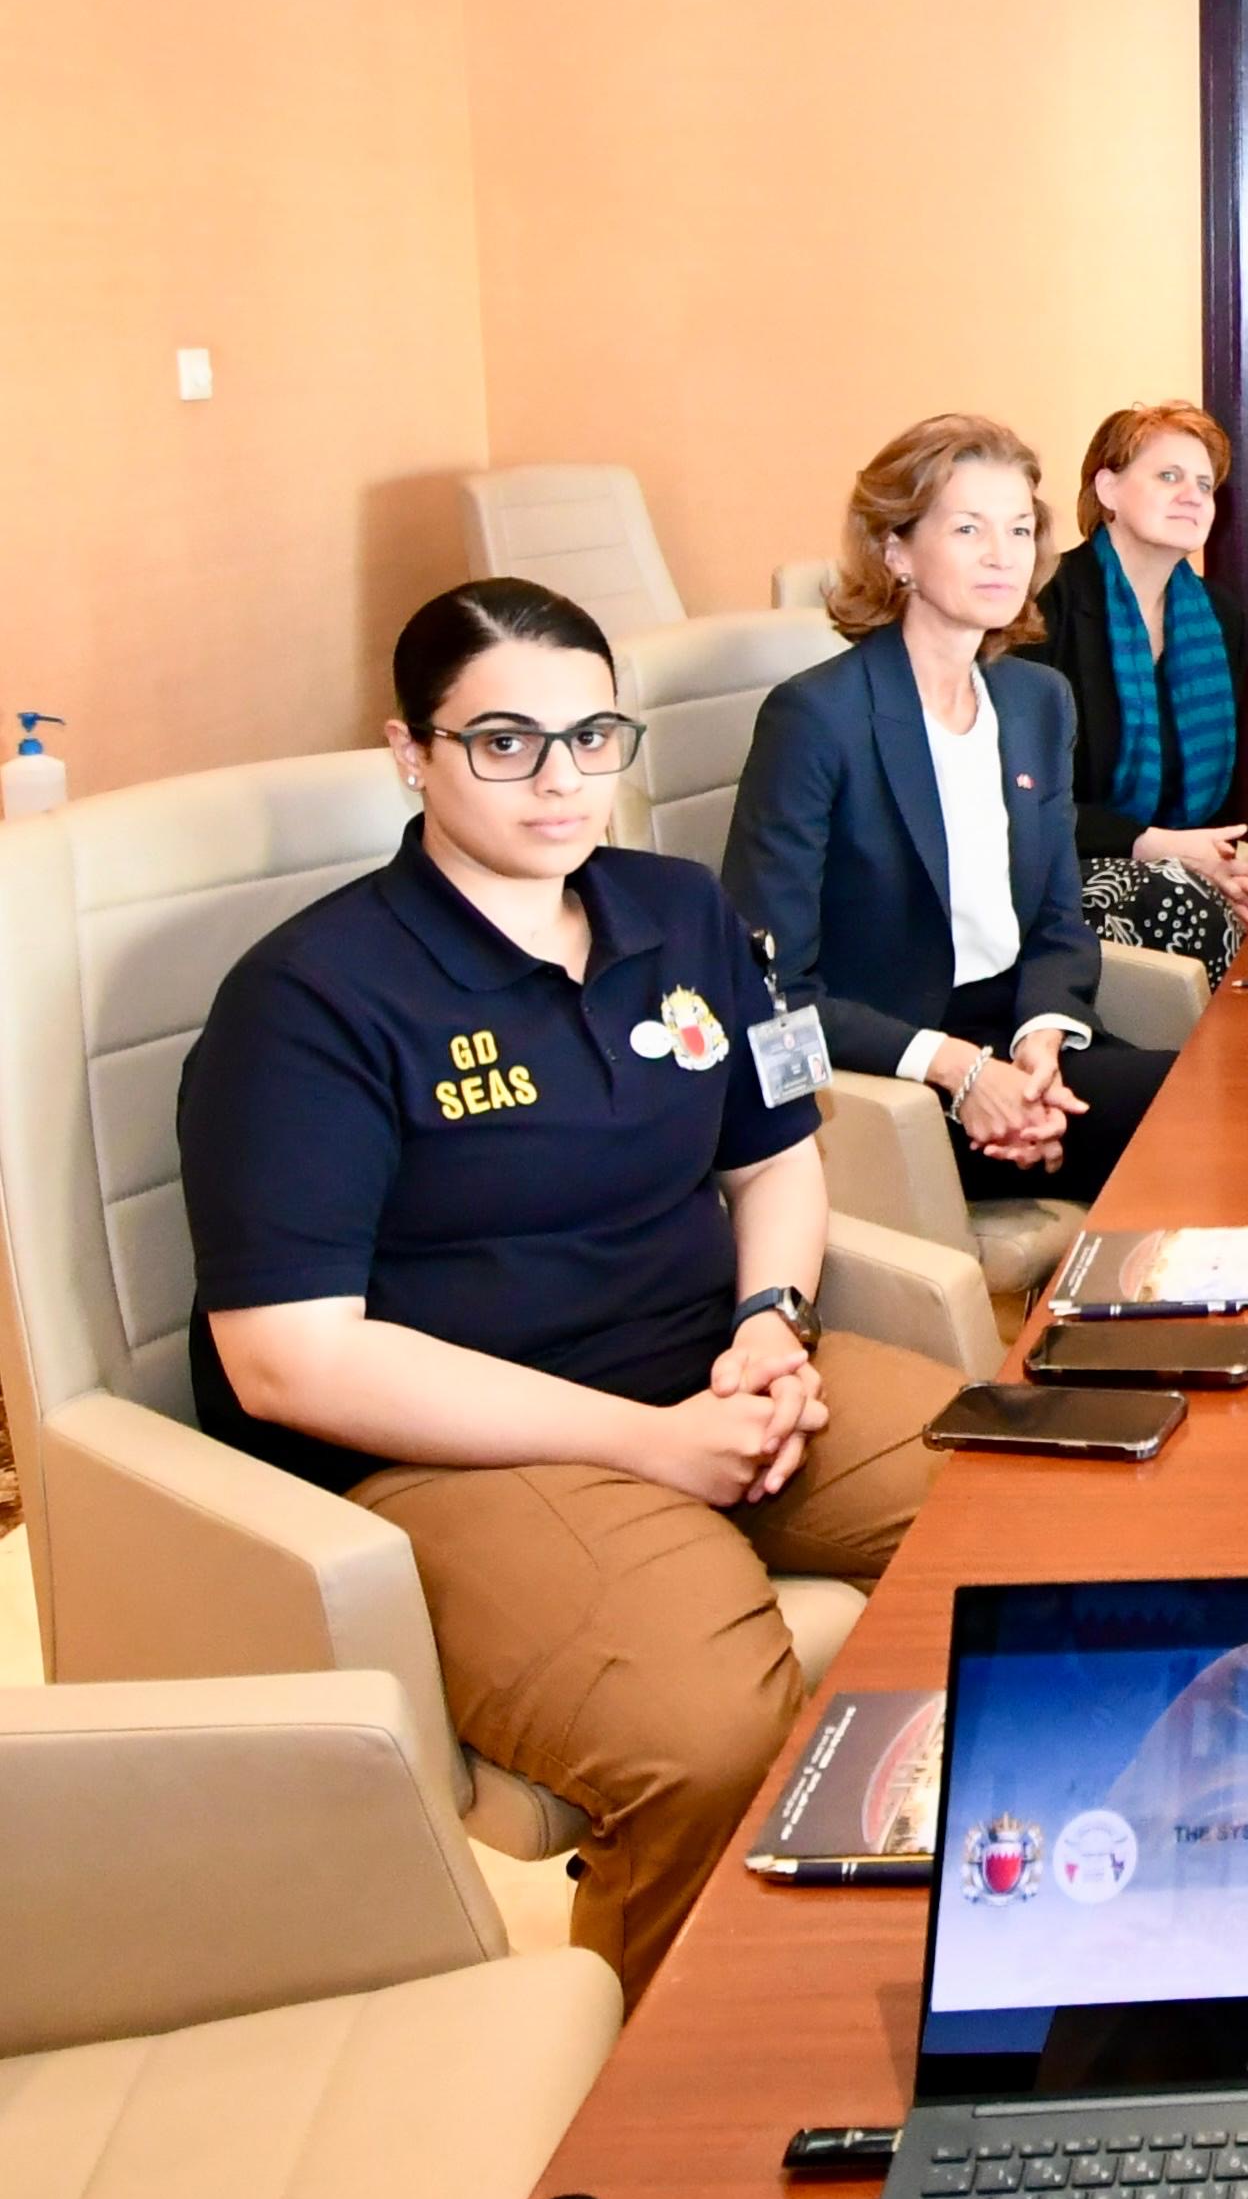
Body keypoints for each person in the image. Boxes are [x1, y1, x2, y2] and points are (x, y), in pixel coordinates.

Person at [178, 579, 960, 1997]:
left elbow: (776, 1160)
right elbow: (287, 1358)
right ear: (410, 754)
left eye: (592, 736)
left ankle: (958, 1938)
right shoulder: (313, 998)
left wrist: (769, 1327)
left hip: (708, 1370)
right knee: (704, 1732)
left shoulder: (682, 911)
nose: (561, 780)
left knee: (1045, 1518)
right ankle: (669, 2059)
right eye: (505, 743)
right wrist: (653, 1444)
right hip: (462, 1449)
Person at [728, 413, 1170, 1206]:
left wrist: (1041, 1043)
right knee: (1197, 1137)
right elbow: (770, 989)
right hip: (889, 1078)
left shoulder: (1036, 700)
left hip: (1022, 1043)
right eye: (969, 528)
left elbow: (1059, 923)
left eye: (1019, 528)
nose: (1004, 554)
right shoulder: (816, 718)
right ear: (895, 550)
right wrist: (960, 1071)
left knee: (1227, 1104)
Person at [1025, 400, 1248, 982]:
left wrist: (1216, 863)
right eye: (1168, 476)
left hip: (1169, 867)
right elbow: (1020, 801)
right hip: (1056, 867)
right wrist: (1154, 846)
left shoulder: (1220, 616)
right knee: (1185, 905)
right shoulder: (1041, 605)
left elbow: (1223, 801)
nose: (1192, 496)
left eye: (1205, 485)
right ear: (1107, 489)